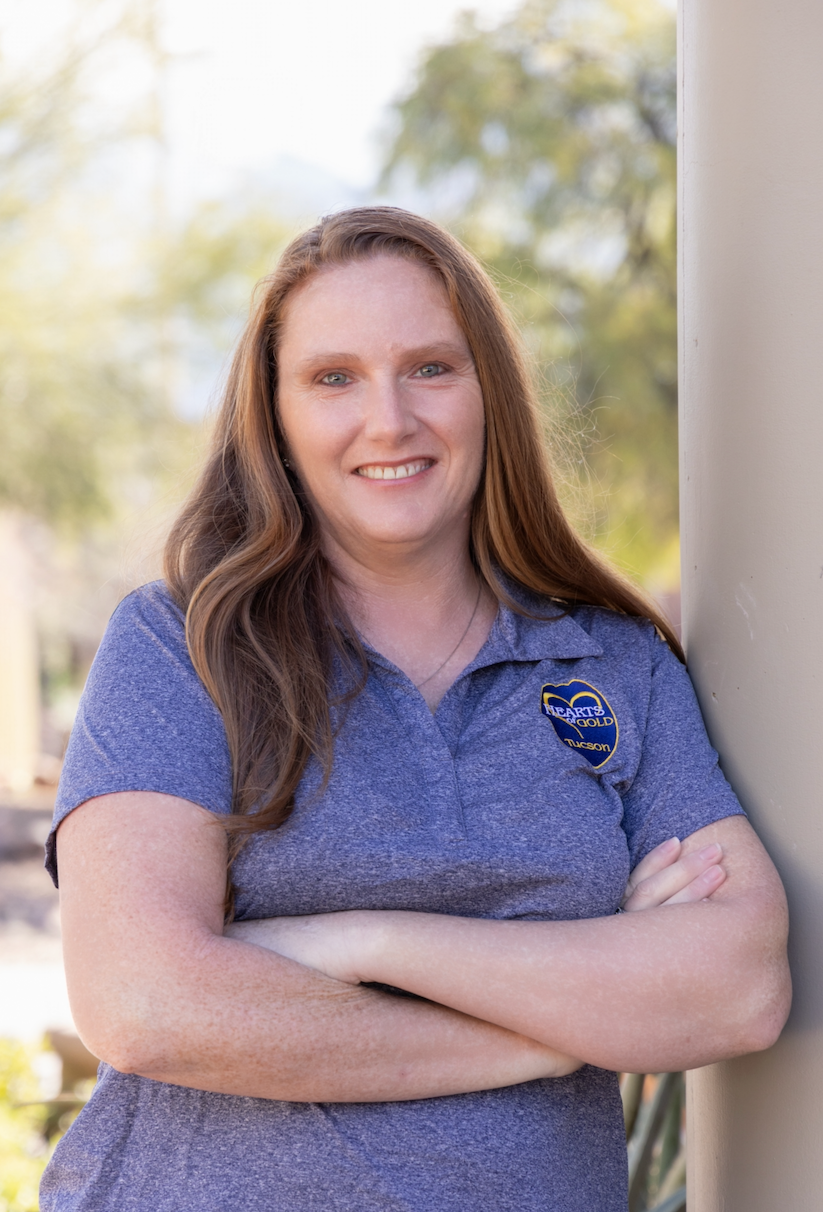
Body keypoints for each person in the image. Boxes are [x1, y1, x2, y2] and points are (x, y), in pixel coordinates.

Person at [41, 207, 790, 1212]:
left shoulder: (612, 663)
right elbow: (146, 1007)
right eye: (333, 377)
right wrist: (567, 1024)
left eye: (431, 367)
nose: (387, 420)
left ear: (490, 392)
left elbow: (737, 988)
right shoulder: (183, 649)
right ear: (276, 415)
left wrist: (363, 943)